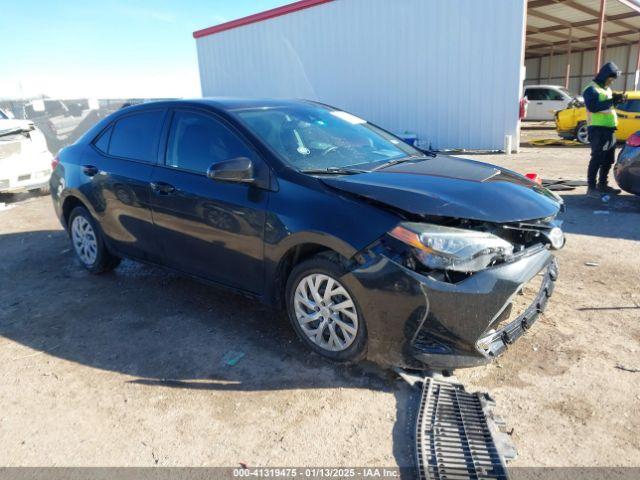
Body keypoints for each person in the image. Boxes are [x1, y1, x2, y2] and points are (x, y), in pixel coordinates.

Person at [583, 62, 627, 197]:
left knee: (608, 159)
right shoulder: (590, 89)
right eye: (611, 78)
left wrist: (618, 99)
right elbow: (593, 107)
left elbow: (608, 104)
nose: (612, 81)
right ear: (605, 76)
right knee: (597, 158)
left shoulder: (606, 89)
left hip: (609, 129)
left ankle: (602, 184)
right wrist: (612, 101)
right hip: (597, 129)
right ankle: (591, 188)